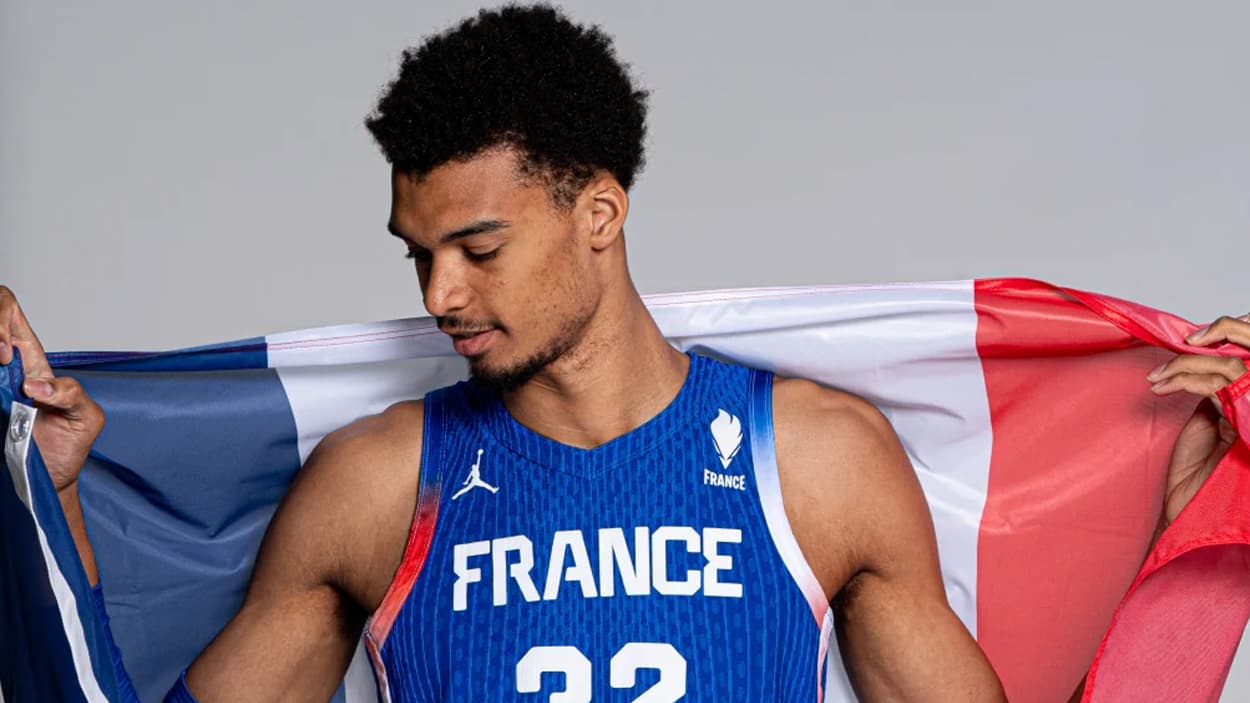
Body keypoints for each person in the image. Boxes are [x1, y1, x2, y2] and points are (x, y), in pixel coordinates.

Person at [2, 4, 1248, 701]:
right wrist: (46, 496)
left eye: (478, 248)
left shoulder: (812, 461)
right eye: (415, 253)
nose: (438, 292)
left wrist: (1206, 494)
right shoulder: (375, 485)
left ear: (598, 212)